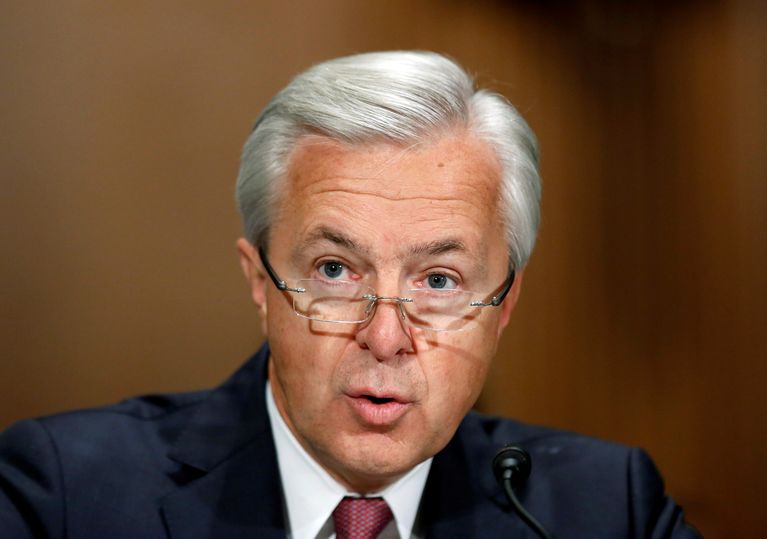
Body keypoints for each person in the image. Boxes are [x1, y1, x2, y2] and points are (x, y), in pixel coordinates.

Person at [0, 51, 699, 538]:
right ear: (259, 281)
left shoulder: (606, 508)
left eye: (438, 280)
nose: (387, 339)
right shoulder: (64, 495)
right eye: (336, 270)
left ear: (504, 307)